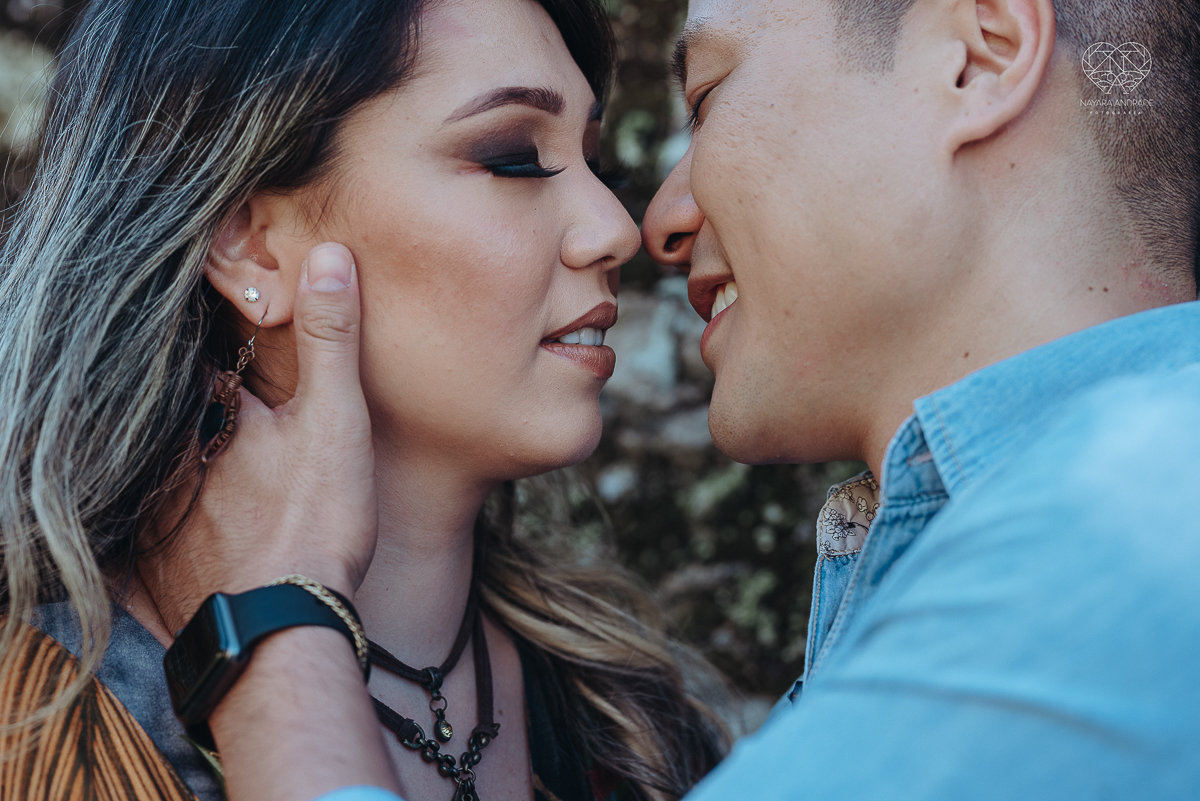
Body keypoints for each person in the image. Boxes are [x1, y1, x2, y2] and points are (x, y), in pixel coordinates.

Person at [97, 0, 1200, 799]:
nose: (637, 226)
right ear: (250, 235)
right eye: (515, 157)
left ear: (979, 57)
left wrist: (273, 642)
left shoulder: (1131, 539)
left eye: (710, 96)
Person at [0, 1, 731, 800]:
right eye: (513, 157)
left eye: (601, 167)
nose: (613, 229)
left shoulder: (641, 726)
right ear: (251, 242)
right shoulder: (33, 724)